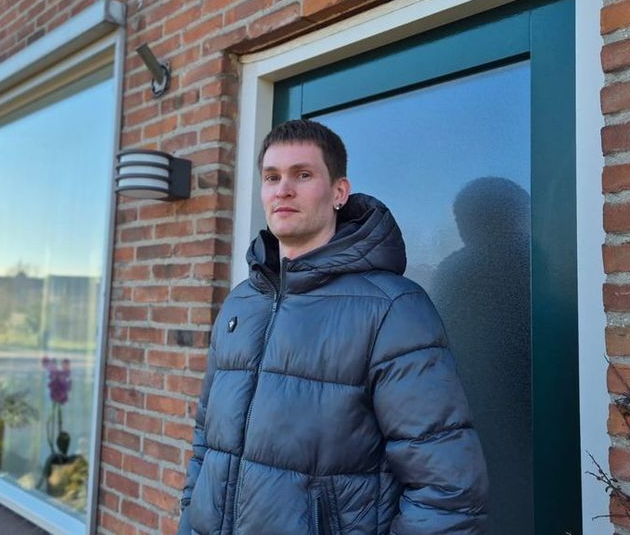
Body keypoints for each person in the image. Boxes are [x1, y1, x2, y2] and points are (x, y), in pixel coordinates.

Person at [177, 119, 488, 535]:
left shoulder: (392, 308)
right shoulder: (240, 303)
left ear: (339, 192)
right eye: (272, 177)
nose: (283, 189)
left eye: (302, 175)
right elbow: (205, 445)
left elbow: (448, 490)